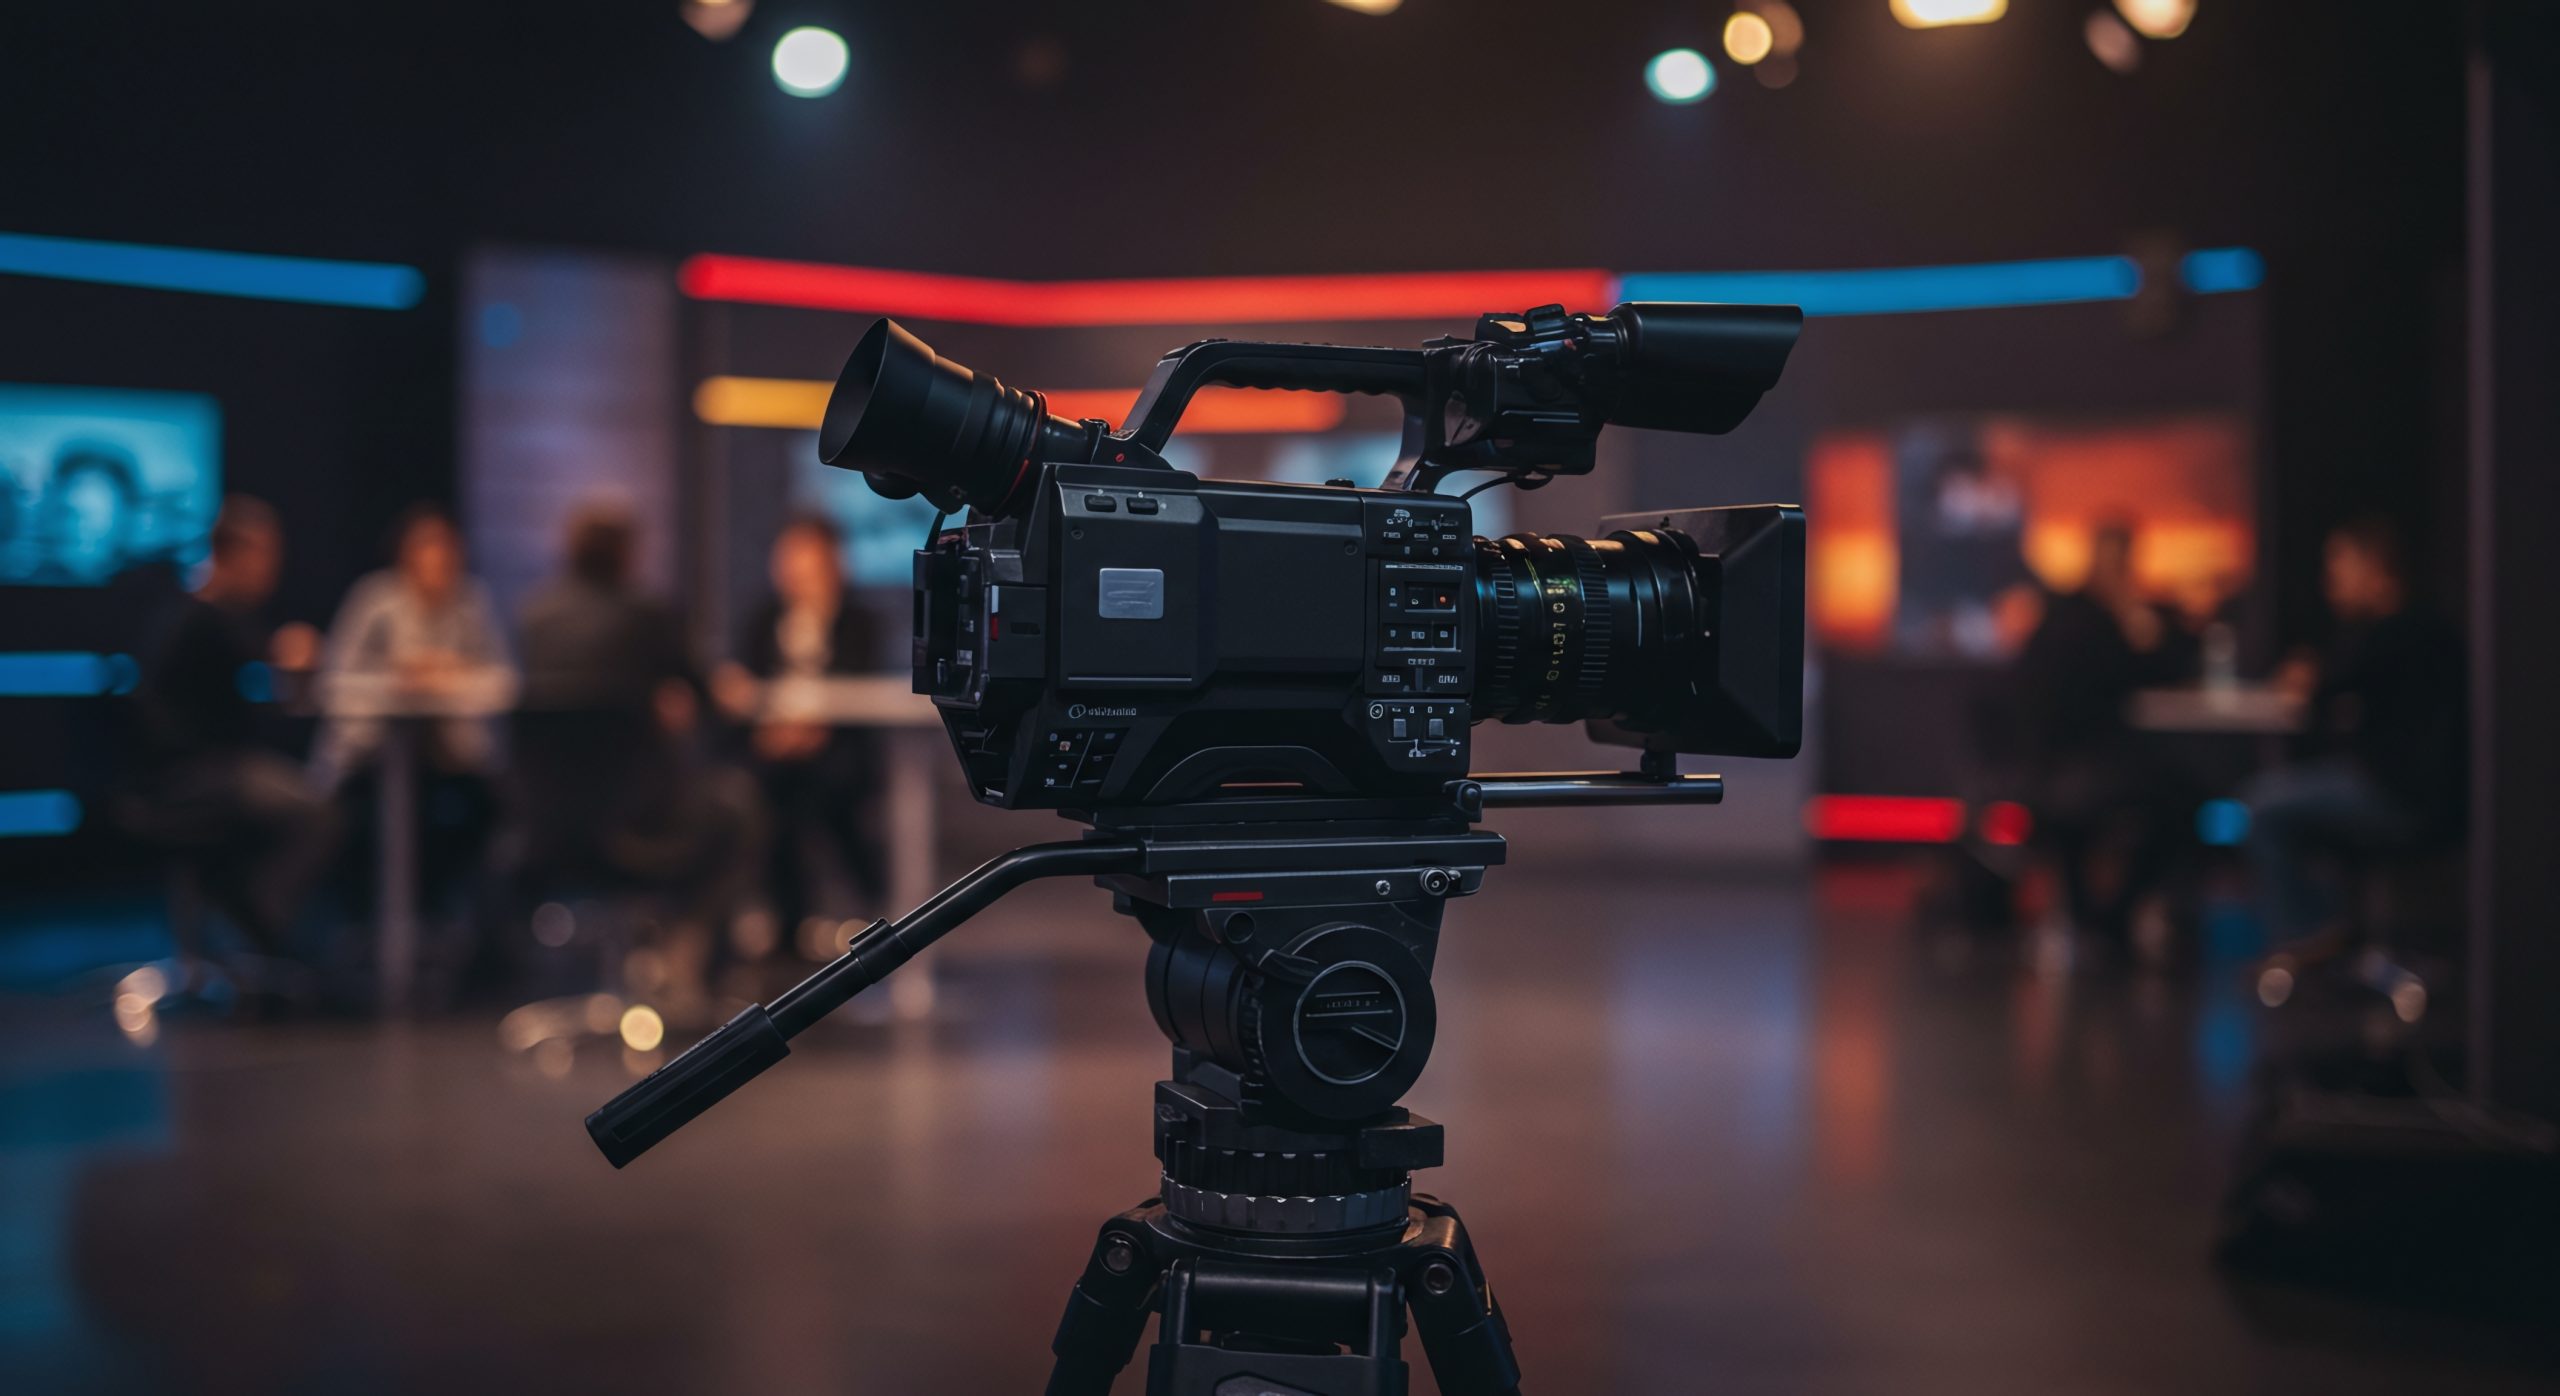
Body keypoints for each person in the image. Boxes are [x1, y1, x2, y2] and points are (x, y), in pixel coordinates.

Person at [508, 498, 763, 1010]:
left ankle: (648, 959)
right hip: (640, 827)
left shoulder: (533, 617)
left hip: (547, 830)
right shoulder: (647, 615)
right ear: (627, 555)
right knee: (739, 807)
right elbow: (711, 701)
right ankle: (683, 958)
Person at [130, 495, 337, 967]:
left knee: (288, 791)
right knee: (321, 812)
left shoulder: (193, 611)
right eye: (266, 557)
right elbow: (279, 664)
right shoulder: (208, 617)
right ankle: (256, 917)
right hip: (196, 777)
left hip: (188, 771)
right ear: (237, 554)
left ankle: (244, 916)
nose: (271, 571)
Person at [2245, 517, 2465, 946]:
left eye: (2340, 567)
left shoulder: (2395, 634)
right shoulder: (2424, 626)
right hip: (2420, 794)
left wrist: (2310, 678)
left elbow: (2323, 688)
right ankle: (2333, 930)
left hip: (2399, 796)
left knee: (2260, 807)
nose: (2331, 583)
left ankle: (2308, 941)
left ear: (2375, 569)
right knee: (2300, 794)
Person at [2012, 520, 2197, 945]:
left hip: (2045, 770)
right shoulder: (2098, 624)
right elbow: (2156, 670)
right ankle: (2118, 917)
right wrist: (2142, 628)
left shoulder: (2060, 614)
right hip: (2076, 770)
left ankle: (2099, 918)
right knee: (2184, 802)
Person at [713, 514, 884, 953]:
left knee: (820, 792)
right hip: (772, 748)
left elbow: (860, 689)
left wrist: (810, 729)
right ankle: (783, 921)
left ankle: (869, 907)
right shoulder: (763, 617)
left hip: (838, 748)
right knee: (761, 794)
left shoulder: (859, 620)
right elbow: (746, 683)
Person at [312, 505, 517, 790]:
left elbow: (504, 681)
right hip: (369, 753)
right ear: (404, 554)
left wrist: (452, 676)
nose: (437, 558)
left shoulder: (472, 602)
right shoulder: (375, 600)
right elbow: (334, 680)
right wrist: (399, 677)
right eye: (426, 547)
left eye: (446, 548)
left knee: (482, 790)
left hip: (456, 754)